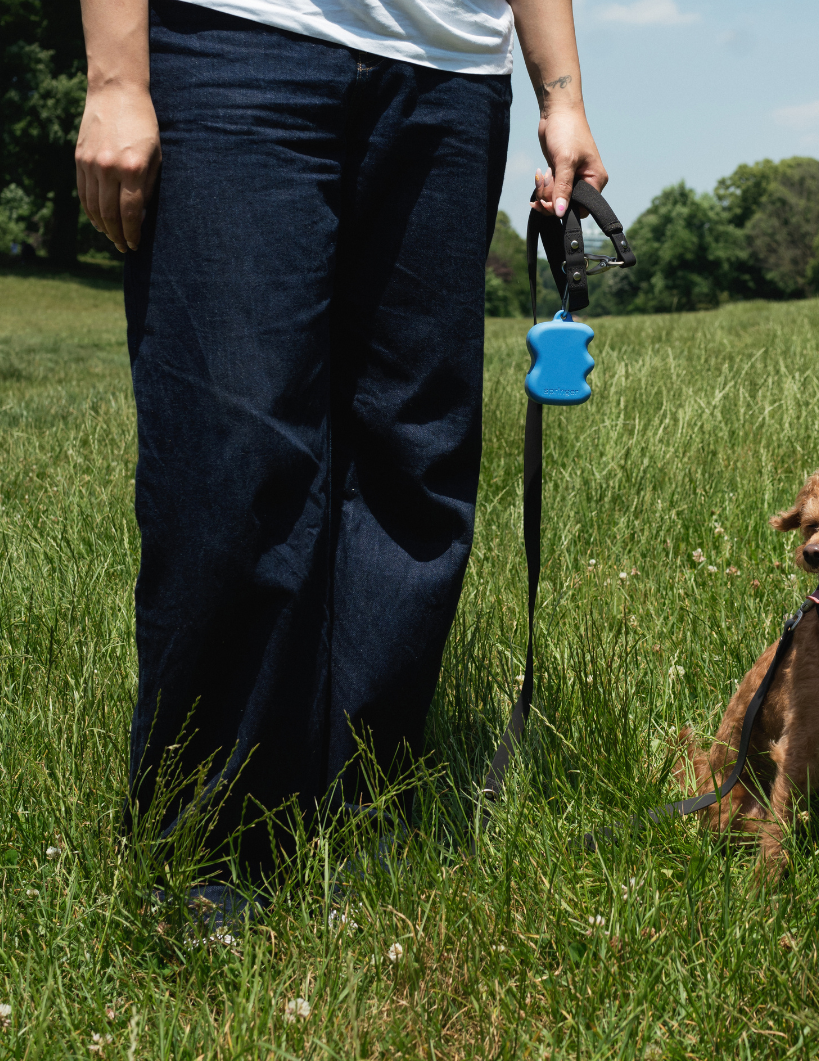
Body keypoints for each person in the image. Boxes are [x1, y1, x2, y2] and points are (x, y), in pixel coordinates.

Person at [75, 0, 607, 876]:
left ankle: (366, 814)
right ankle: (209, 849)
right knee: (235, 458)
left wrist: (563, 98)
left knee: (415, 454)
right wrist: (117, 78)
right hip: (235, 45)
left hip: (452, 74)